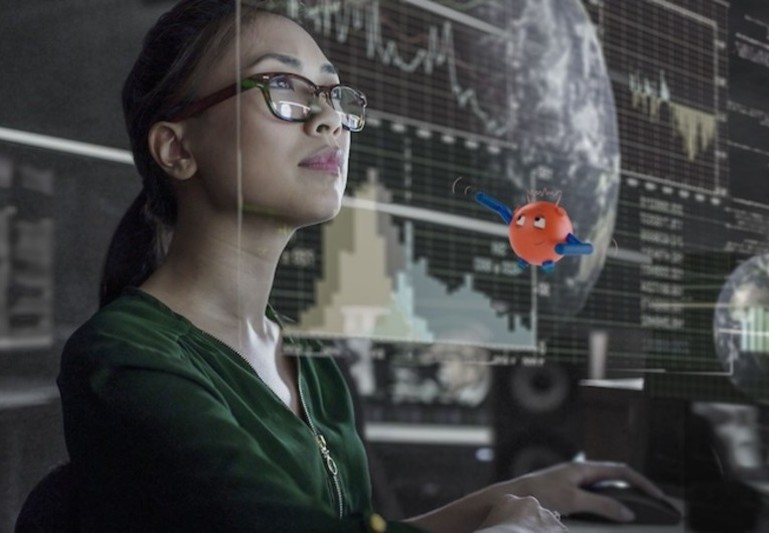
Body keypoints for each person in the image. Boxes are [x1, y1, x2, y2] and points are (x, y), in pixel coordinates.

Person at [57, 1, 664, 531]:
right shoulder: (123, 359)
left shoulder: (308, 362)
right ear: (178, 148)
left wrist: (508, 500)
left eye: (334, 95)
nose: (330, 121)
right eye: (285, 89)